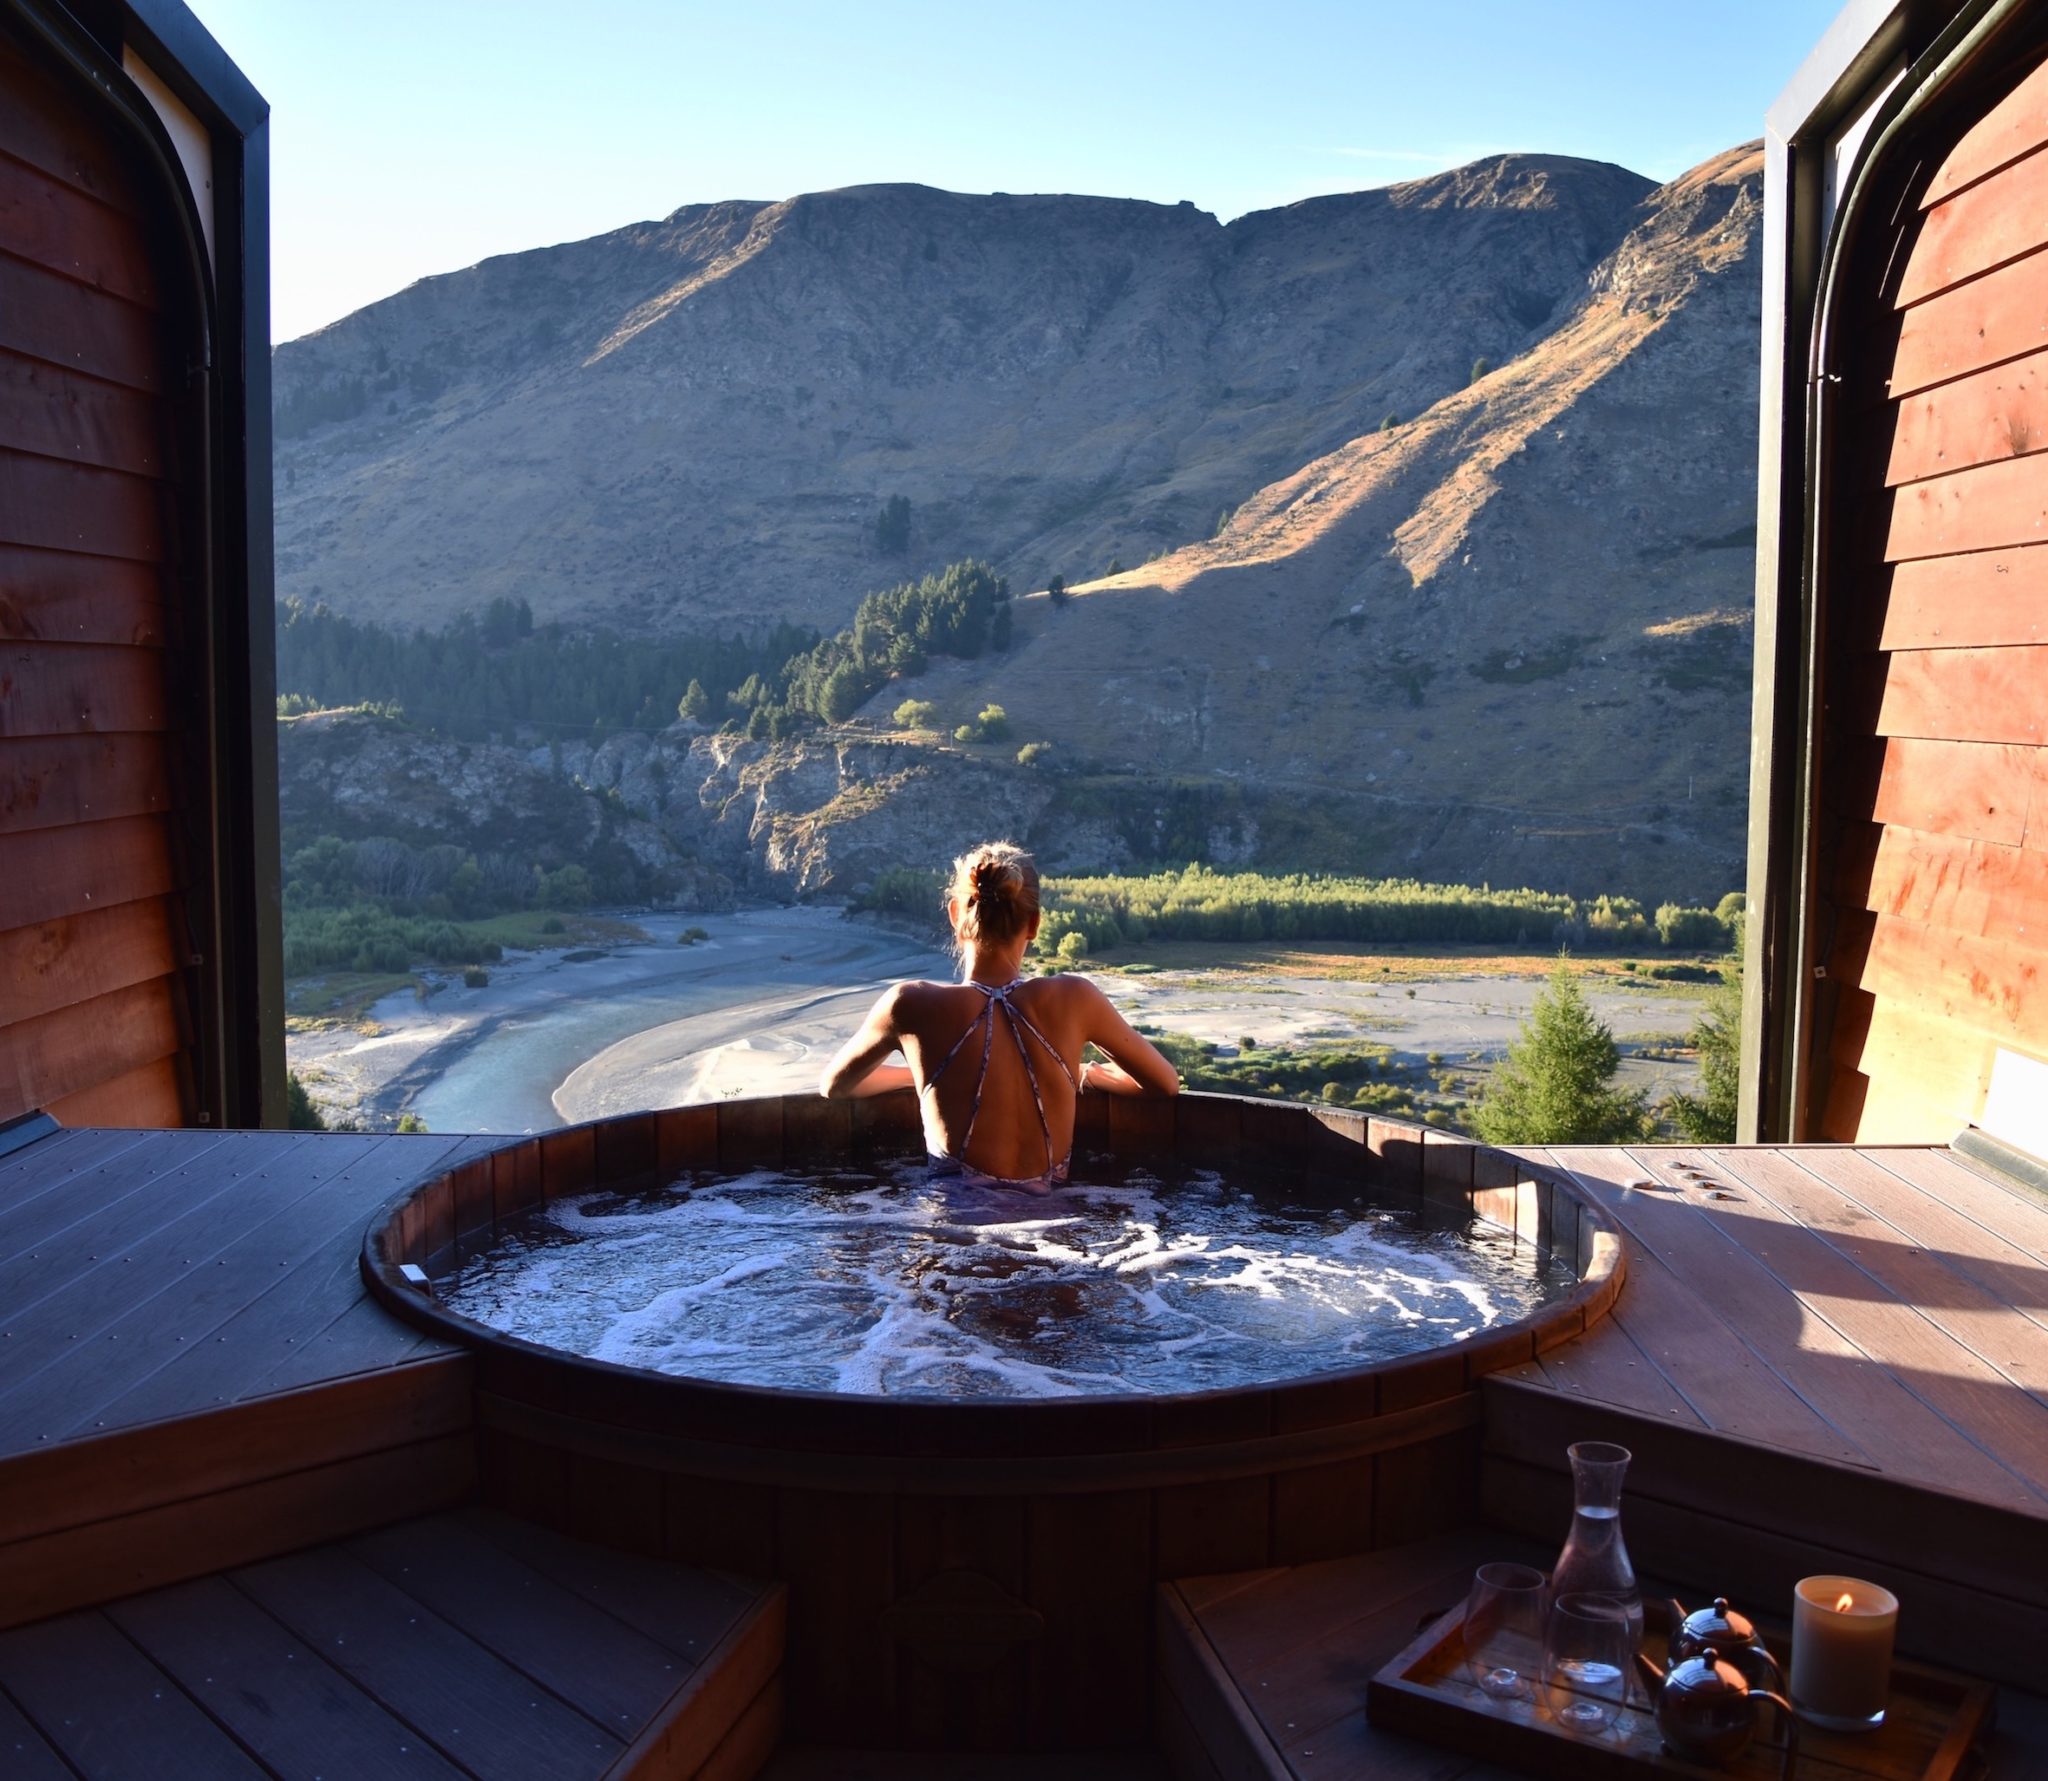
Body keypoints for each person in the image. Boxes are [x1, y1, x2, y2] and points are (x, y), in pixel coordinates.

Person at [819, 841, 1179, 1190]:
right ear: (1035, 924)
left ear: (956, 916)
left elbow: (835, 1086)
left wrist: (915, 1077)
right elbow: (1164, 1083)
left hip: (954, 1229)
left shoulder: (910, 1003)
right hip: (1050, 1232)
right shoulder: (1075, 998)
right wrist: (1085, 1074)